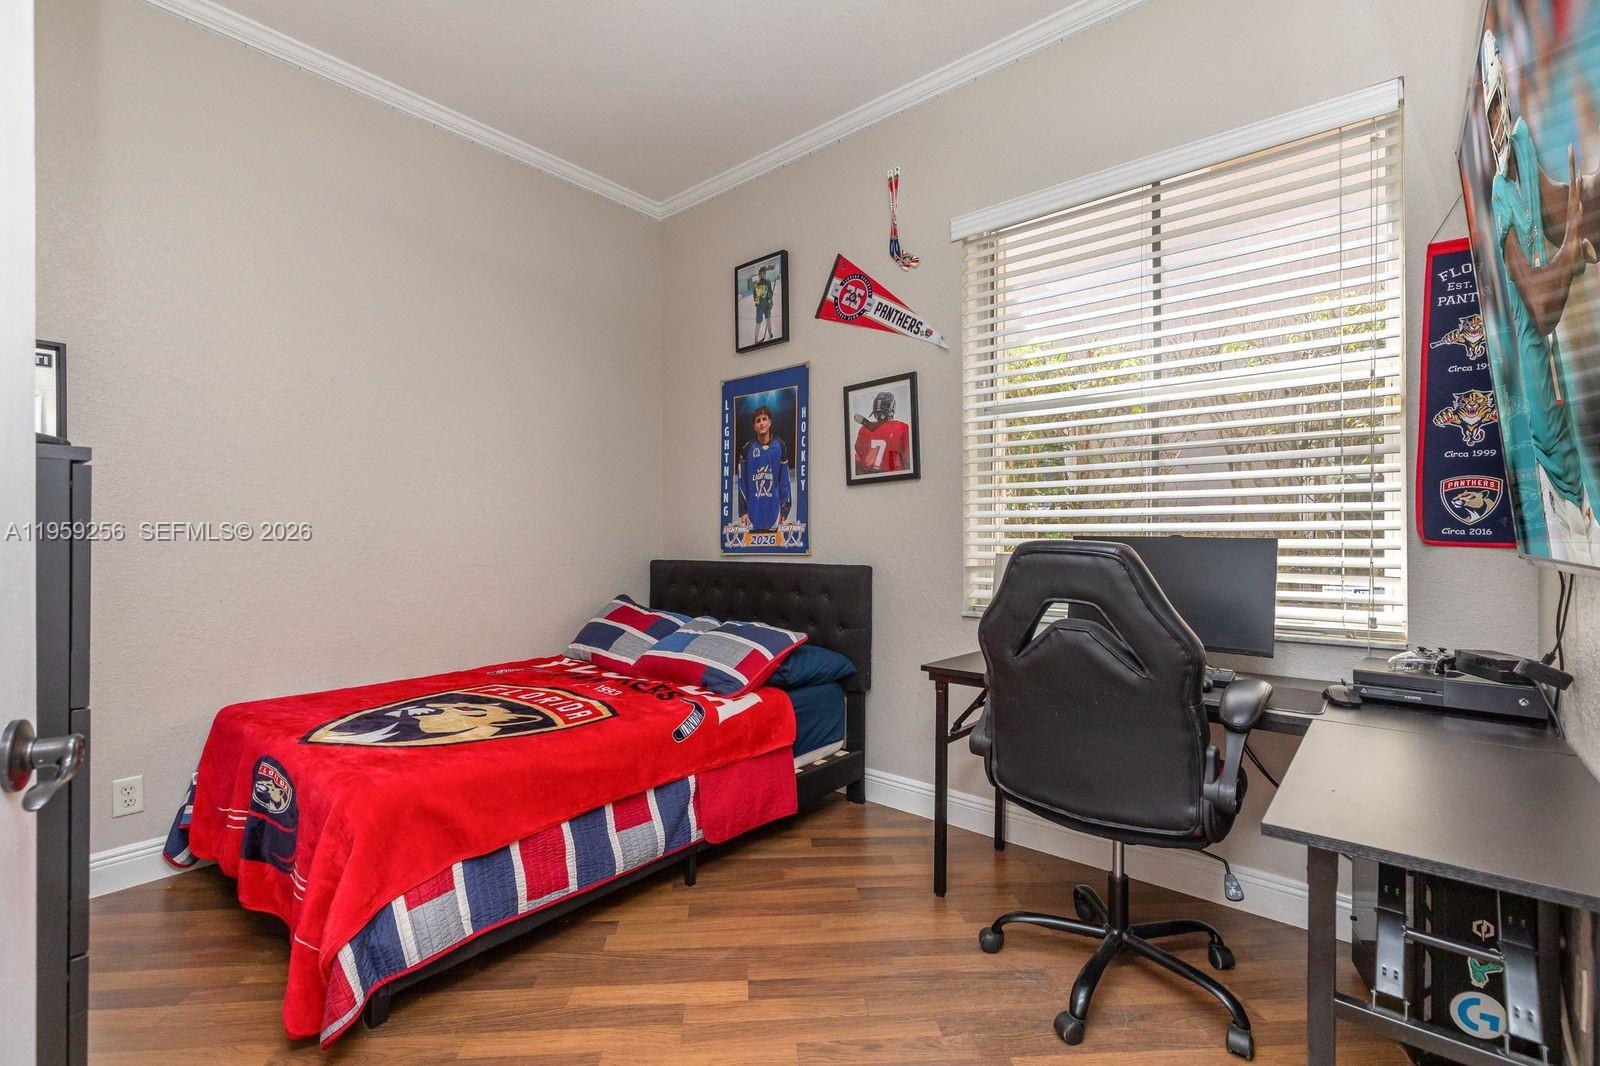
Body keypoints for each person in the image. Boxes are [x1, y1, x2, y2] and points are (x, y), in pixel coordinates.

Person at [1481, 27, 1600, 563]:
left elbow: (1557, 209)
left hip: (1562, 392)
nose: (1496, 124)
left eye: (1497, 109)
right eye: (1488, 115)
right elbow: (1541, 304)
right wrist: (1572, 245)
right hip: (1542, 410)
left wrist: (1586, 197)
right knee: (1572, 541)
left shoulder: (1524, 141)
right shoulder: (1496, 194)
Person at [738, 405, 791, 530]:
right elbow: (742, 482)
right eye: (758, 421)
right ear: (754, 426)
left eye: (764, 419)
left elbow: (785, 481)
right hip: (753, 514)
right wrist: (743, 511)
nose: (761, 423)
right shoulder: (747, 449)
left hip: (774, 513)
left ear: (770, 422)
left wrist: (784, 510)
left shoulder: (780, 445)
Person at [853, 390, 911, 475]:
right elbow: (908, 460)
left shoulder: (864, 429)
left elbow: (859, 451)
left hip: (869, 477)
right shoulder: (901, 427)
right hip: (892, 476)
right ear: (892, 409)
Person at [751, 265, 776, 343]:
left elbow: (770, 293)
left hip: (767, 306)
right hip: (760, 307)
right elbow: (755, 298)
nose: (762, 275)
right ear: (759, 275)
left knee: (768, 319)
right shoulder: (757, 284)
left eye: (763, 274)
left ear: (765, 274)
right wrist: (756, 299)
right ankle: (756, 338)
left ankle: (770, 332)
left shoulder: (768, 282)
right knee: (758, 322)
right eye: (761, 274)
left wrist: (770, 301)